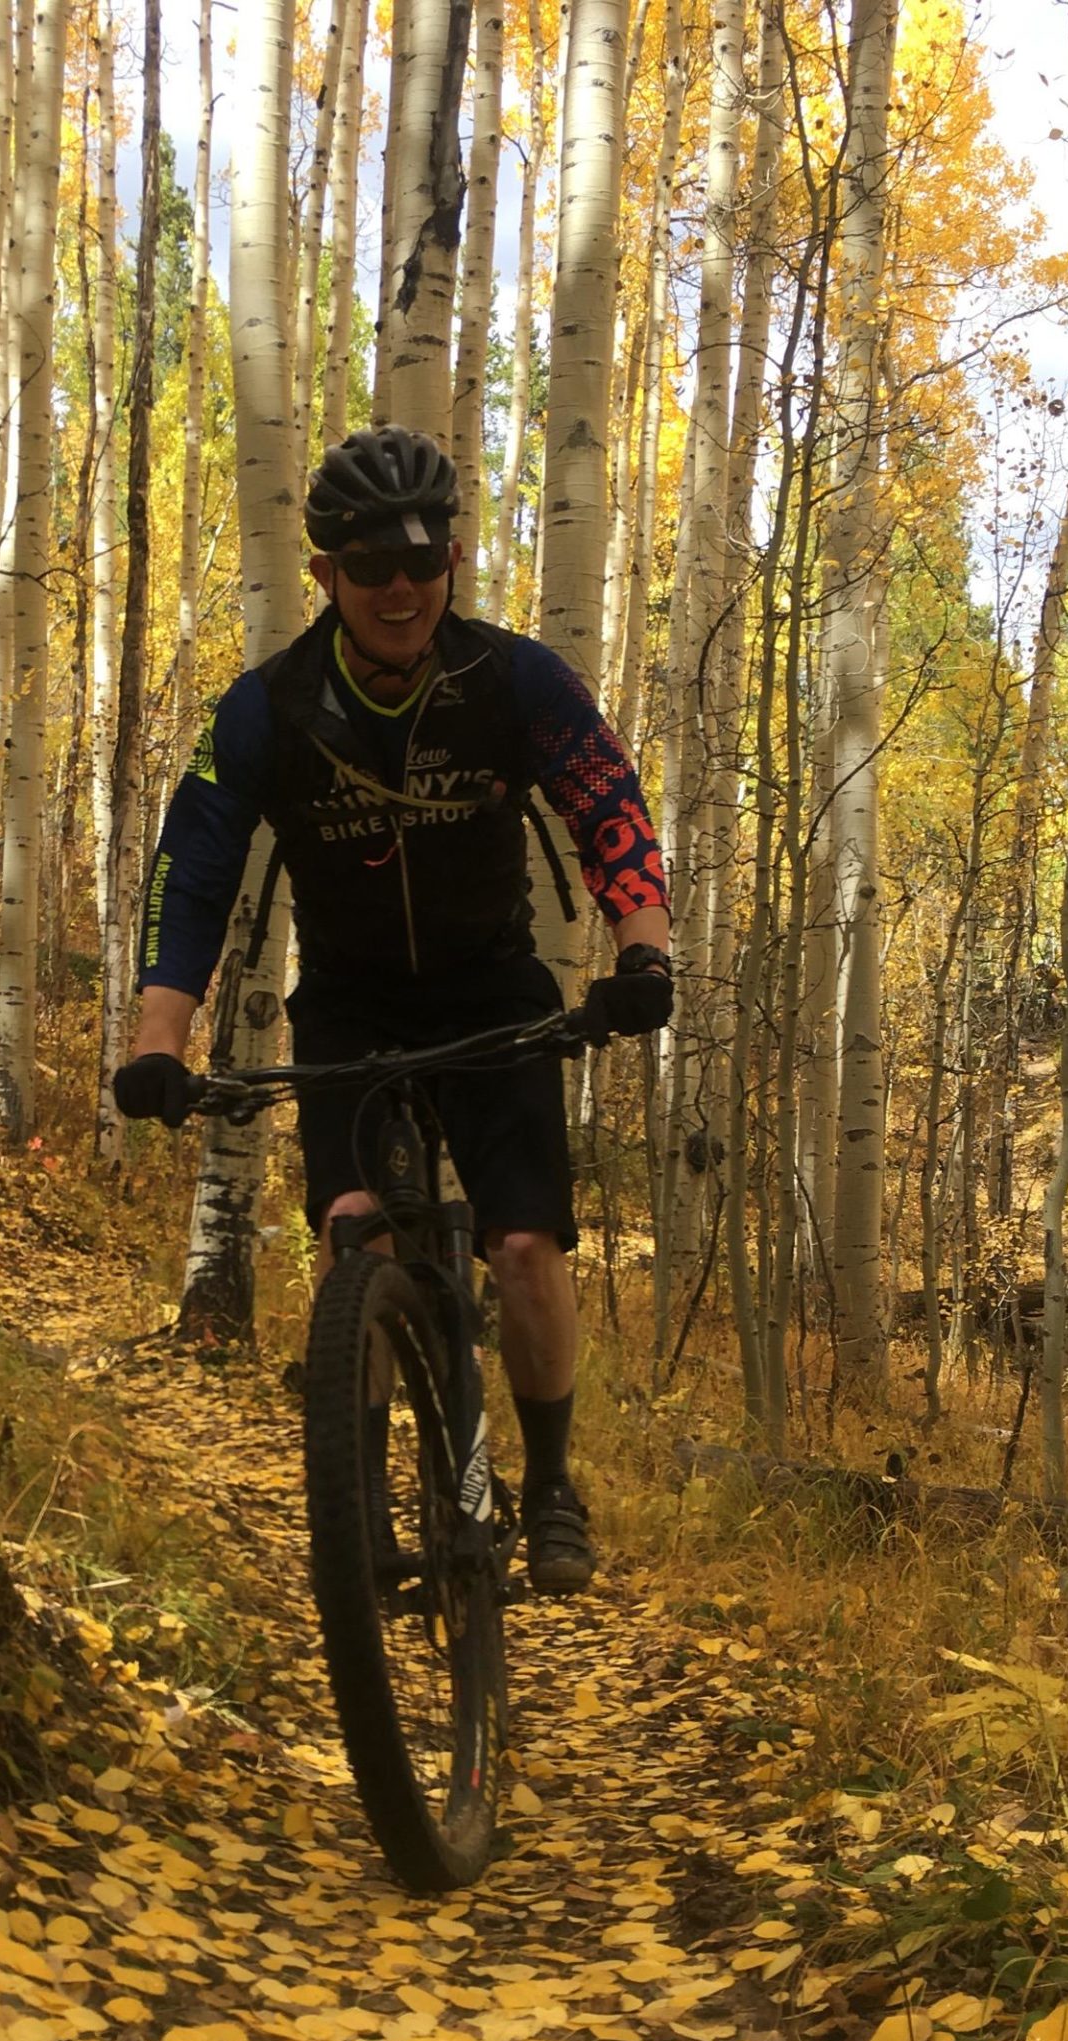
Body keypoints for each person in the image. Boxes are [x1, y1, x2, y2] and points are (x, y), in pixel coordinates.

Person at [114, 424, 671, 1596]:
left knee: (523, 1244)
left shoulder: (512, 681)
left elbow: (606, 800)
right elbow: (196, 869)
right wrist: (160, 1039)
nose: (401, 587)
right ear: (326, 576)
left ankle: (553, 1481)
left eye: (423, 561)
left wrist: (643, 952)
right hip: (354, 1008)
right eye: (369, 565)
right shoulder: (267, 710)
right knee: (353, 1225)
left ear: (455, 558)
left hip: (494, 997)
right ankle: (357, 1494)